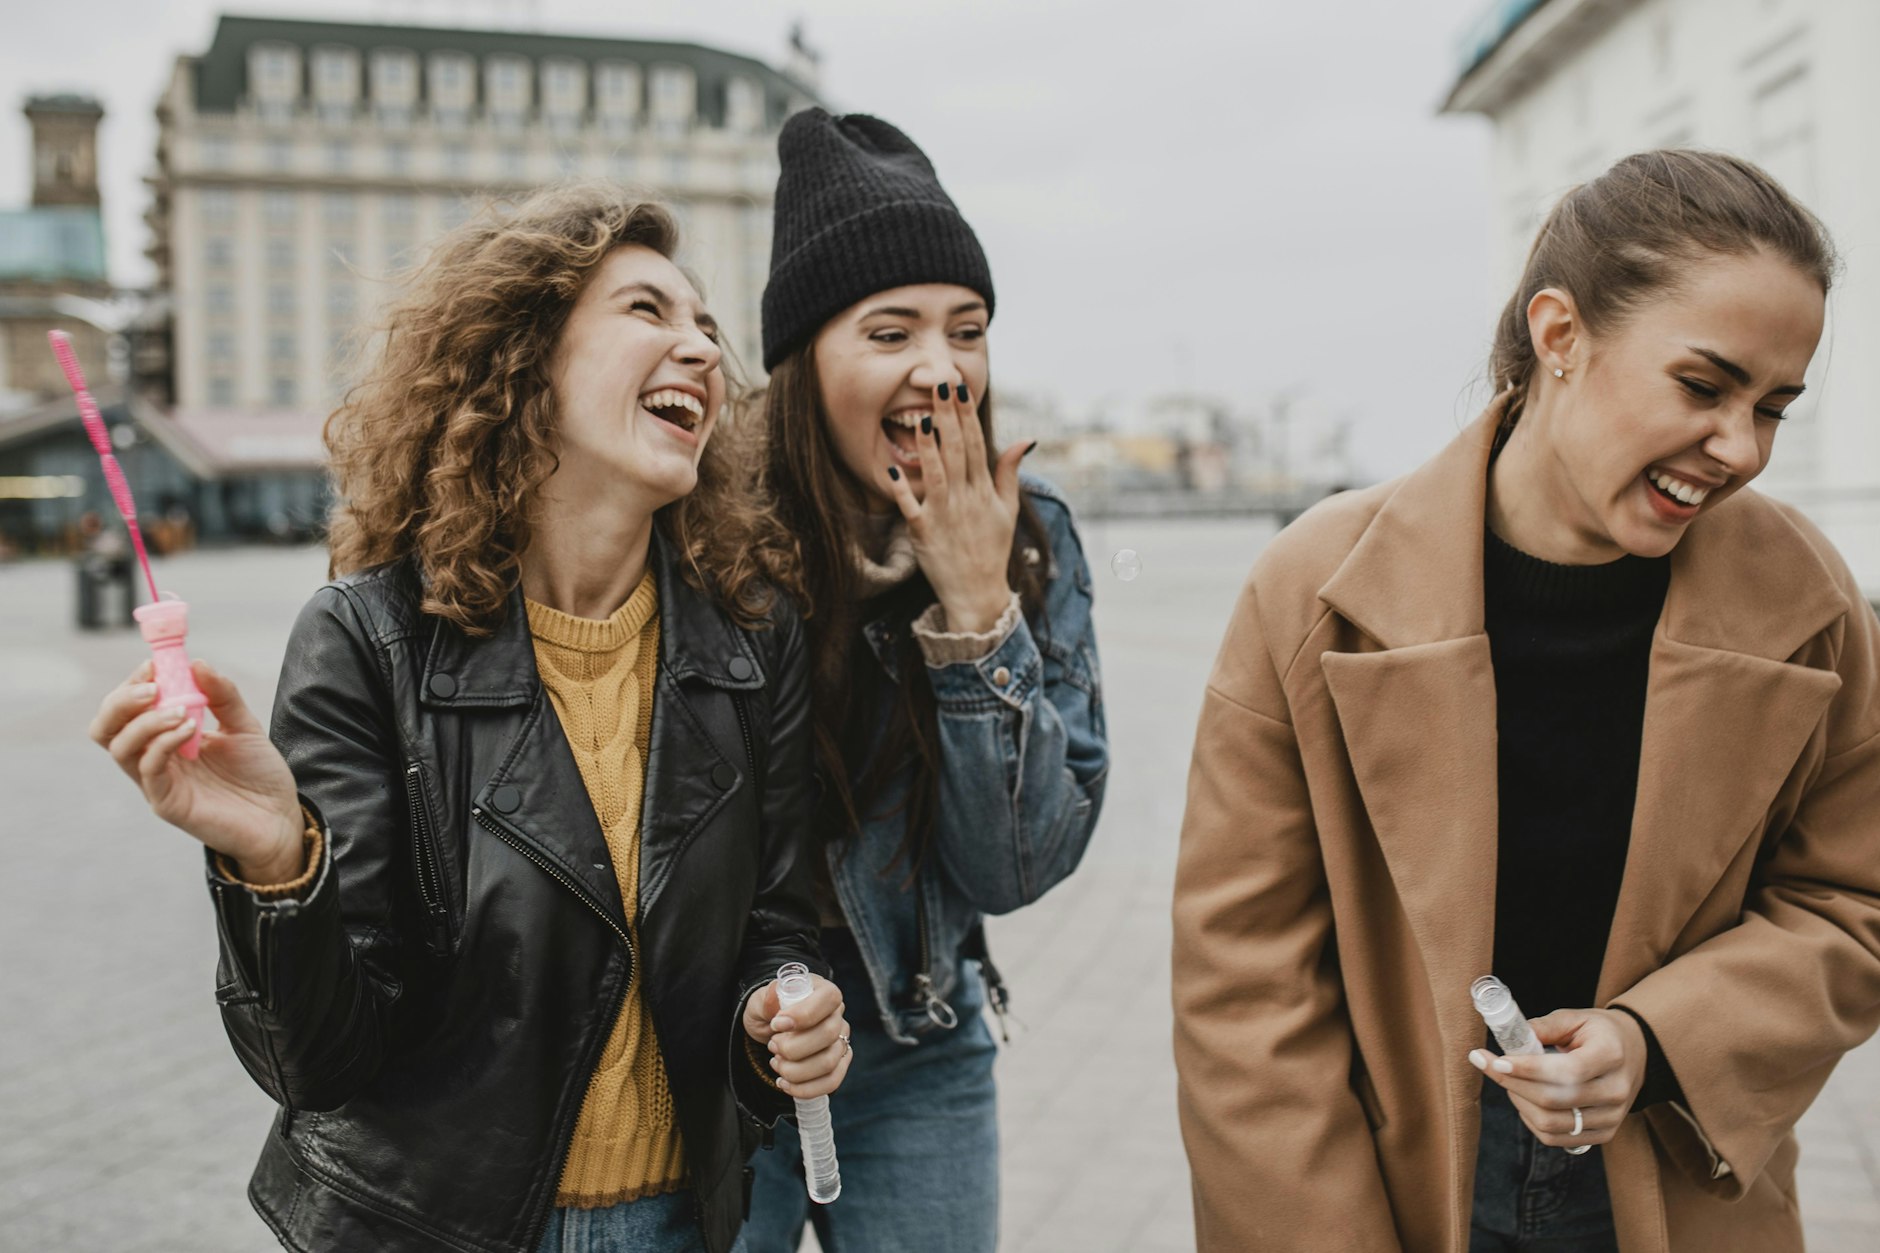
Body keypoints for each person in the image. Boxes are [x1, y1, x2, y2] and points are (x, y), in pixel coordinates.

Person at [88, 184, 849, 1253]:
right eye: (647, 310)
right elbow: (321, 1063)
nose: (701, 349)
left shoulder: (751, 639)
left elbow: (775, 924)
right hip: (428, 1227)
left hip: (680, 1221)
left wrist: (783, 1008)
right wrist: (276, 864)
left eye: (705, 326)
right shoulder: (366, 639)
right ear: (524, 354)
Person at [1173, 149, 1880, 1252]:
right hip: (1385, 1182)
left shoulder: (1809, 599)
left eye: (1773, 407)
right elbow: (1244, 989)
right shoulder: (1311, 591)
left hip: (1679, 1164)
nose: (1739, 447)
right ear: (1560, 335)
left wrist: (1655, 1040)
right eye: (1702, 387)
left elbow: (1852, 902)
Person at [732, 110, 1110, 1253]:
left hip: (918, 1032)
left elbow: (1013, 867)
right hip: (719, 1049)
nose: (941, 370)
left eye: (967, 330)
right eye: (889, 331)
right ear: (805, 360)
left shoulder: (1029, 532)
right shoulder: (712, 533)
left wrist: (975, 607)